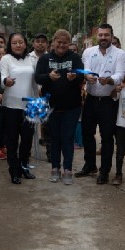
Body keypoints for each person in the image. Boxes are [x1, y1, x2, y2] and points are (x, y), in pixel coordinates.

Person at [76, 23, 125, 184]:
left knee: (106, 137)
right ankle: (90, 165)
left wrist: (111, 80)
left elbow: (120, 74)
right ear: (96, 36)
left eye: (106, 35)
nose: (103, 38)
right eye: (101, 35)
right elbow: (85, 70)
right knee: (87, 134)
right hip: (91, 99)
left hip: (108, 102)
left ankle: (104, 171)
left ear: (112, 36)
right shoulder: (88, 52)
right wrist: (87, 77)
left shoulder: (120, 54)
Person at [35, 29, 84, 185]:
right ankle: (55, 168)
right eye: (59, 42)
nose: (62, 45)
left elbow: (82, 76)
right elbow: (38, 77)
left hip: (72, 106)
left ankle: (67, 169)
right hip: (51, 107)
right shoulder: (45, 59)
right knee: (54, 138)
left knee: (67, 138)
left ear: (69, 44)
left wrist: (75, 77)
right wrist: (49, 77)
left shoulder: (75, 58)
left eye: (65, 42)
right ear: (53, 42)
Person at [0, 32, 38, 184]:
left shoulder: (32, 59)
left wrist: (38, 99)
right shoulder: (6, 59)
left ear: (25, 43)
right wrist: (5, 81)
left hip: (29, 106)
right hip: (11, 106)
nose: (18, 45)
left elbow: (35, 84)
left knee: (27, 140)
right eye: (14, 42)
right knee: (12, 140)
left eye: (20, 42)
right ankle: (13, 170)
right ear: (10, 44)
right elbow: (2, 78)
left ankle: (24, 167)